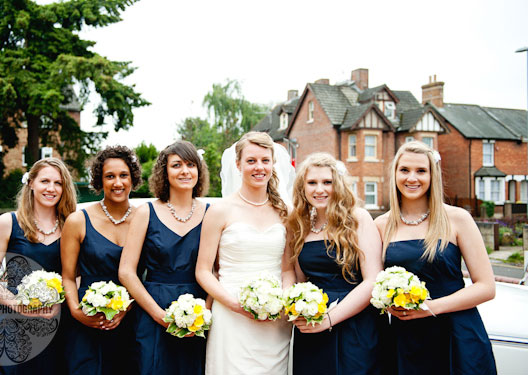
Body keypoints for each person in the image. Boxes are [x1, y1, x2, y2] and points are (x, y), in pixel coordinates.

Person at [374, 140, 497, 374]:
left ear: (433, 175)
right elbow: (372, 284)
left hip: (456, 334)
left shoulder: (457, 219)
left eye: (421, 171)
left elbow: (486, 287)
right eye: (405, 170)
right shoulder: (381, 225)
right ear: (395, 174)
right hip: (405, 339)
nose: (412, 178)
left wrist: (430, 307)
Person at [196, 131, 293, 375]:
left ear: (273, 164)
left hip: (275, 320)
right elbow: (204, 271)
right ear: (238, 165)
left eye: (265, 160)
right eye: (251, 161)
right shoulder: (220, 211)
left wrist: (281, 300)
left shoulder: (285, 212)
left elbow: (288, 269)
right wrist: (234, 304)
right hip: (231, 317)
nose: (259, 167)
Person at [286, 152, 383, 374]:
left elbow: (372, 280)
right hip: (312, 325)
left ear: (337, 184)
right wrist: (298, 309)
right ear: (303, 187)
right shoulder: (299, 226)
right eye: (312, 183)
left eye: (327, 182)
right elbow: (299, 280)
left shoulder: (358, 219)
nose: (319, 189)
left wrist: (329, 319)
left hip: (356, 325)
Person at [119, 140, 210, 375]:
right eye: (176, 165)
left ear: (198, 171)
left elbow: (217, 270)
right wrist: (158, 314)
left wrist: (205, 315)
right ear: (164, 172)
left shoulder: (211, 213)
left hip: (198, 310)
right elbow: (127, 272)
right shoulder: (146, 213)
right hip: (153, 308)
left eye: (191, 164)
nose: (184, 171)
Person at [0, 157, 77, 375]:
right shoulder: (7, 223)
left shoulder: (72, 226)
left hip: (56, 323)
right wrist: (18, 305)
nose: (51, 188)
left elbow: (76, 276)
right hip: (11, 326)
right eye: (45, 181)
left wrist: (61, 303)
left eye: (58, 183)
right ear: (31, 183)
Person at [61, 146, 141, 374]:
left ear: (133, 179)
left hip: (131, 323)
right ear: (99, 180)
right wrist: (77, 312)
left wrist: (127, 307)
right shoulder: (78, 220)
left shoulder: (144, 219)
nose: (118, 183)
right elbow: (67, 276)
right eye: (110, 176)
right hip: (87, 321)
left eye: (123, 175)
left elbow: (148, 274)